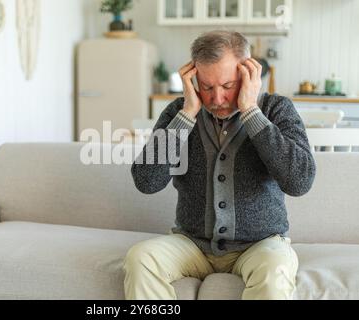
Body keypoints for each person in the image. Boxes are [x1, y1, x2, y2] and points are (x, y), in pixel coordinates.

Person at [123, 30, 316, 300]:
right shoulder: (179, 112)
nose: (217, 99)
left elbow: (300, 181)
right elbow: (146, 181)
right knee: (140, 258)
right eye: (206, 86)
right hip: (192, 243)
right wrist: (186, 115)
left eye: (228, 86)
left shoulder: (276, 109)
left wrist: (251, 112)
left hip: (260, 245)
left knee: (275, 270)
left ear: (249, 74)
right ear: (192, 80)